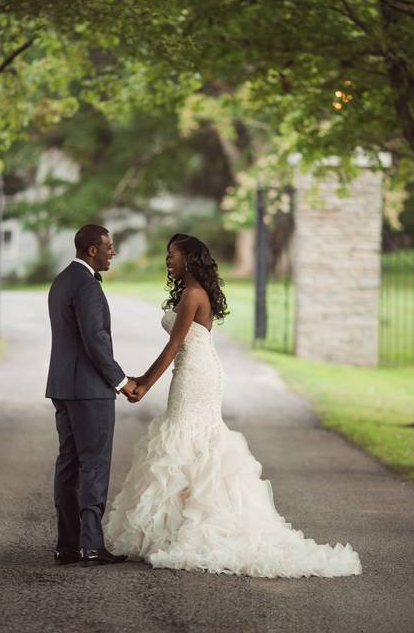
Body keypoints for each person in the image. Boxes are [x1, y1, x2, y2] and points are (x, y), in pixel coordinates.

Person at [102, 233, 362, 578]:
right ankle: (176, 525)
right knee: (187, 439)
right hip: (194, 368)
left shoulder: (194, 294)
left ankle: (190, 527)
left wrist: (144, 384)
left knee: (184, 436)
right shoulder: (192, 292)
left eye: (173, 255)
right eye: (168, 255)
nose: (169, 260)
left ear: (190, 259)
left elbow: (175, 345)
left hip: (196, 373)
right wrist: (143, 378)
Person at [45, 224, 138, 567]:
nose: (113, 252)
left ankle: (67, 545)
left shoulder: (61, 281)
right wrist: (121, 381)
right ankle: (91, 546)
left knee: (68, 464)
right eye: (108, 247)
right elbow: (95, 341)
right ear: (91, 250)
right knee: (93, 465)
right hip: (89, 392)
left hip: (63, 387)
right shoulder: (86, 286)